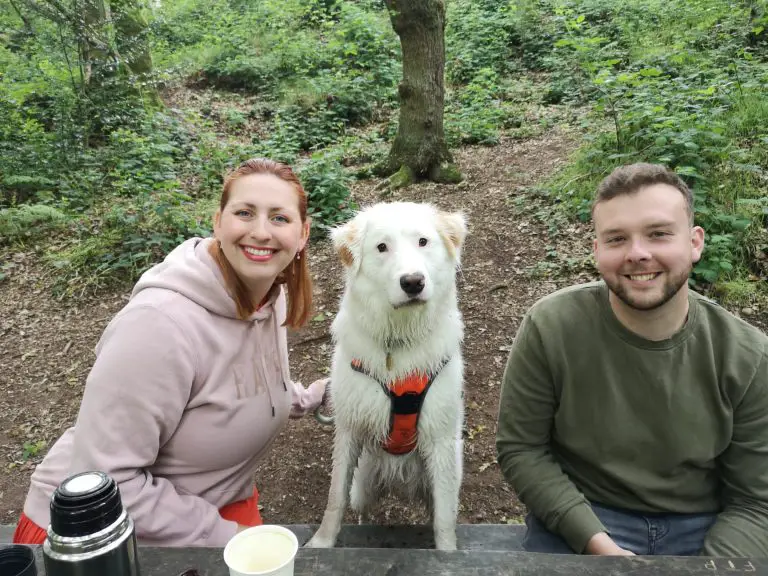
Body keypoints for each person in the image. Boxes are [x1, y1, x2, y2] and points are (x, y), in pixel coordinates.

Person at [13, 158, 329, 547]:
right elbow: (109, 484)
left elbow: (243, 385)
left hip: (212, 506)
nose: (261, 232)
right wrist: (228, 537)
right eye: (244, 213)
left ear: (303, 234)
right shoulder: (159, 326)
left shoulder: (267, 297)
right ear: (218, 222)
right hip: (97, 537)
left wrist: (311, 396)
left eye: (279, 218)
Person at [496, 162, 768, 557]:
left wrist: (714, 565)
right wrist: (596, 543)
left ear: (694, 242)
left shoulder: (748, 355)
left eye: (658, 234)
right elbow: (522, 448)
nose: (638, 254)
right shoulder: (551, 326)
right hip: (583, 516)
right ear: (596, 250)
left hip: (704, 524)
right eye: (617, 239)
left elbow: (755, 500)